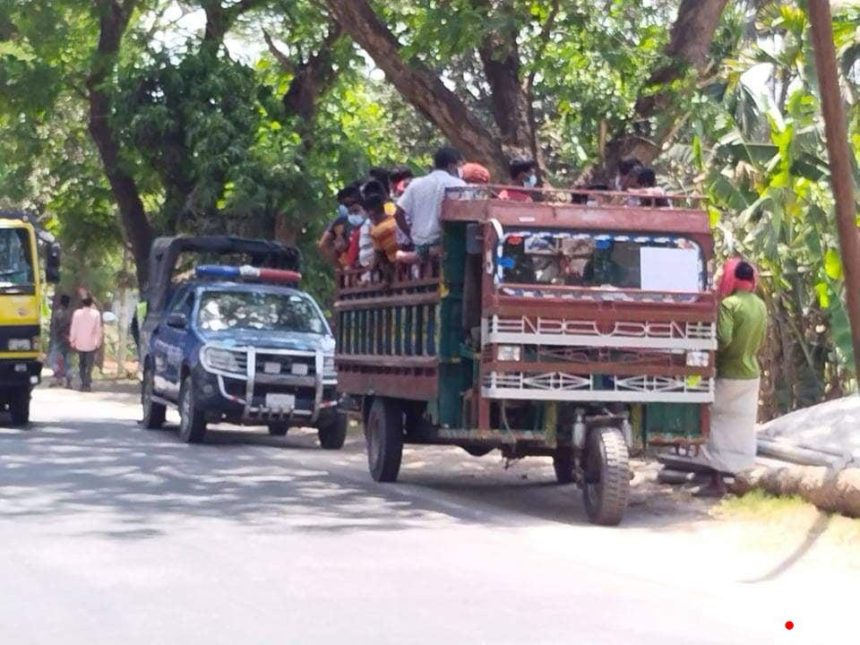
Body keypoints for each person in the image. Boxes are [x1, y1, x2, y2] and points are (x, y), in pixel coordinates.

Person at [696, 259, 767, 496]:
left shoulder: (728, 305)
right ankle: (741, 477)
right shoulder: (760, 305)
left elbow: (723, 339)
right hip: (751, 373)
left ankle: (715, 481)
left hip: (729, 373)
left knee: (714, 423)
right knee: (742, 427)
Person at [394, 146, 465, 261]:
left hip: (420, 245)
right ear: (451, 166)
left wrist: (410, 235)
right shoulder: (458, 185)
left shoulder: (415, 184)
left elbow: (398, 213)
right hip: (446, 246)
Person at [318, 183, 365, 267]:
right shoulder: (340, 222)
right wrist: (339, 266)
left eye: (350, 203)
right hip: (350, 268)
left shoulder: (371, 217)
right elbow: (323, 244)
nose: (349, 207)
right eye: (345, 204)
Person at [69, 293, 104, 392]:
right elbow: (98, 329)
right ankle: (87, 383)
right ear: (91, 303)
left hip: (80, 342)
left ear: (82, 303)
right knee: (90, 364)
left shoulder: (77, 313)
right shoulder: (96, 314)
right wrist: (98, 341)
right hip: (91, 344)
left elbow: (73, 328)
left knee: (81, 363)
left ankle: (84, 381)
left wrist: (72, 340)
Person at [48, 294, 72, 387]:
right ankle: (68, 379)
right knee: (67, 360)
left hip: (59, 339)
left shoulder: (58, 313)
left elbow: (56, 327)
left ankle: (58, 376)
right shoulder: (70, 313)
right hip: (68, 339)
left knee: (53, 359)